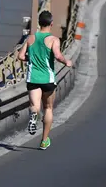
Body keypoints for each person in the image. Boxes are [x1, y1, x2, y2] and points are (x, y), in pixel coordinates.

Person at [17, 10, 72, 150]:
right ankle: (44, 141)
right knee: (48, 108)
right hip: (48, 79)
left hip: (33, 78)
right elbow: (58, 55)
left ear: (39, 23)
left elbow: (21, 56)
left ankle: (33, 115)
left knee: (35, 105)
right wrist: (67, 62)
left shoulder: (30, 38)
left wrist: (32, 59)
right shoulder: (53, 40)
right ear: (51, 24)